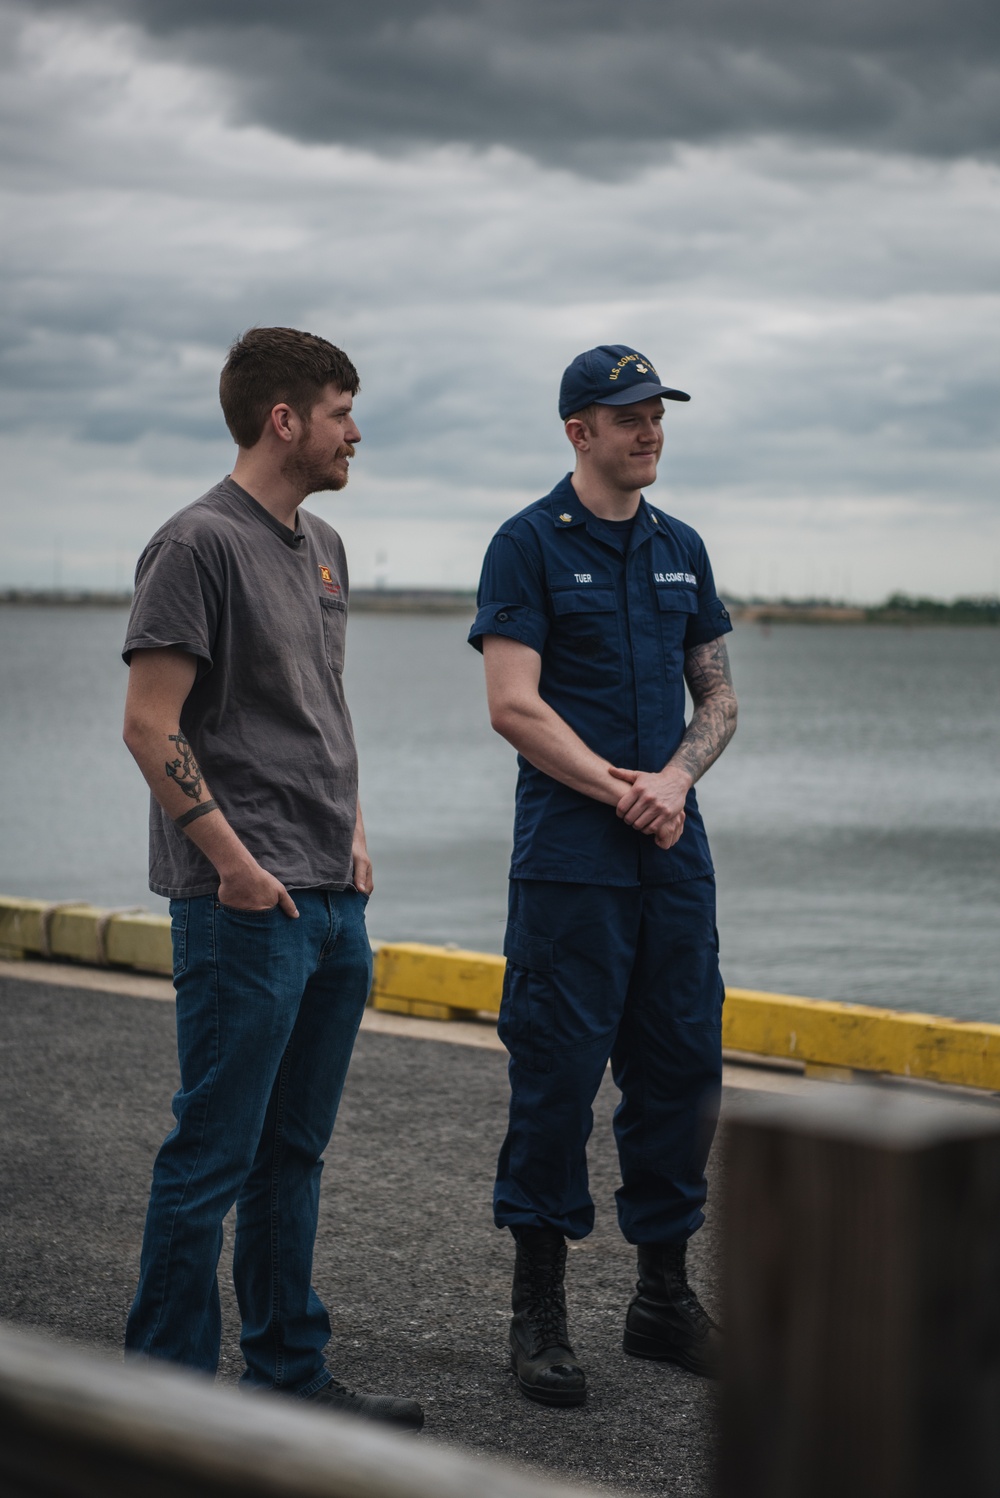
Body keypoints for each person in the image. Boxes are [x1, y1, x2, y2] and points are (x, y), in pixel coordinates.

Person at [121, 326, 422, 1430]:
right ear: (284, 419)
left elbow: (319, 710)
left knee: (293, 1151)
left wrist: (352, 827)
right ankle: (161, 1404)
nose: (357, 431)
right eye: (342, 410)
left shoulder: (323, 542)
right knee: (213, 1151)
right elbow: (150, 726)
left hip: (332, 899)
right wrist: (238, 868)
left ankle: (289, 1377)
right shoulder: (195, 544)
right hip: (245, 906)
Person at [469, 344, 738, 1408]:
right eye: (628, 416)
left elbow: (717, 698)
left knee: (680, 1071)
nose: (650, 430)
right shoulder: (527, 544)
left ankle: (661, 1301)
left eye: (656, 413)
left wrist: (671, 781)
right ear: (578, 430)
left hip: (672, 853)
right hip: (571, 865)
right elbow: (512, 704)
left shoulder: (682, 548)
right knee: (555, 1079)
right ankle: (538, 1312)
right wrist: (618, 786)